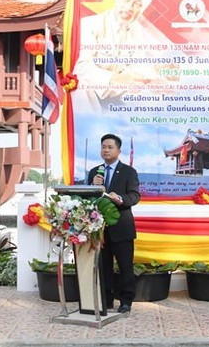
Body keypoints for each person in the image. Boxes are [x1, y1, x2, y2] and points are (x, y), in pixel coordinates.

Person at [73, 0, 174, 112]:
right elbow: (81, 67)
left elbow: (138, 65)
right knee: (81, 87)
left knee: (157, 97)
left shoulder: (136, 30)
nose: (129, 7)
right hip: (92, 87)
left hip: (118, 90)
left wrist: (154, 80)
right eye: (126, 0)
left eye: (138, 4)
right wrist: (119, 78)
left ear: (143, 10)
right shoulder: (90, 24)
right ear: (117, 0)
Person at [87, 133, 141, 313]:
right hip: (99, 228)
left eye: (110, 147)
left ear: (118, 150)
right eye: (103, 147)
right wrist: (92, 186)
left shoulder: (128, 172)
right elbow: (87, 198)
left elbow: (135, 196)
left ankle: (126, 301)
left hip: (122, 227)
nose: (106, 150)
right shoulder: (95, 172)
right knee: (103, 266)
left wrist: (121, 199)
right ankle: (106, 299)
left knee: (125, 266)